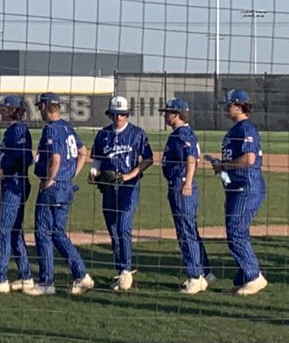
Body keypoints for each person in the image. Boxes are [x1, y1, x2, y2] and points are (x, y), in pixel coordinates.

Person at [28, 93, 94, 296]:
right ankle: (81, 275)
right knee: (57, 232)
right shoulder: (68, 127)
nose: (39, 110)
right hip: (66, 187)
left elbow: (55, 158)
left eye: (40, 106)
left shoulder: (52, 128)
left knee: (42, 232)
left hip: (54, 187)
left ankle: (47, 282)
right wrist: (72, 174)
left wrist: (50, 180)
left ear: (48, 106)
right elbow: (84, 152)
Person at [205, 89, 268, 295]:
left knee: (236, 231)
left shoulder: (246, 128)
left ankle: (253, 276)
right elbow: (230, 165)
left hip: (246, 187)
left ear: (239, 106)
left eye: (229, 104)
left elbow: (248, 160)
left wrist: (223, 166)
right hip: (234, 187)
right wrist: (220, 167)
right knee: (236, 231)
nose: (226, 108)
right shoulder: (234, 130)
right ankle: (243, 279)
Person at [89, 95, 153, 291]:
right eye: (116, 114)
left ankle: (126, 270)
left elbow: (147, 159)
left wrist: (129, 175)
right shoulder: (103, 135)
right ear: (110, 115)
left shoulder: (137, 133)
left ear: (127, 114)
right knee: (113, 229)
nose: (119, 118)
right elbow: (97, 159)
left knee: (124, 226)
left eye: (123, 114)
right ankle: (120, 271)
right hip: (108, 187)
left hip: (129, 187)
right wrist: (93, 173)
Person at [0, 95, 35, 294]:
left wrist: (5, 169)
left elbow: (25, 158)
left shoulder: (19, 130)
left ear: (14, 110)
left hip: (15, 184)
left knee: (2, 230)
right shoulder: (11, 130)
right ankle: (26, 276)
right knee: (14, 231)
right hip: (12, 183)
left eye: (4, 107)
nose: (0, 110)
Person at [160, 98, 214, 294]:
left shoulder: (183, 133)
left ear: (177, 114)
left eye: (168, 112)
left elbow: (191, 159)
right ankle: (205, 272)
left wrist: (187, 183)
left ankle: (195, 276)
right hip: (179, 184)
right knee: (190, 230)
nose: (165, 115)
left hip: (182, 186)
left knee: (185, 232)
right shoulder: (178, 134)